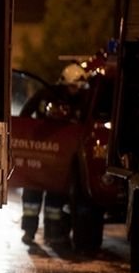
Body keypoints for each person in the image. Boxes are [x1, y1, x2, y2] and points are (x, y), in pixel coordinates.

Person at [19, 63, 90, 247]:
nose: (75, 90)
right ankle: (29, 231)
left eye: (78, 87)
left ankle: (52, 234)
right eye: (72, 86)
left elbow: (85, 125)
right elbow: (24, 115)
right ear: (64, 84)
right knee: (31, 196)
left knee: (56, 199)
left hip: (61, 161)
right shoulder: (45, 95)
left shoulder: (83, 100)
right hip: (40, 155)